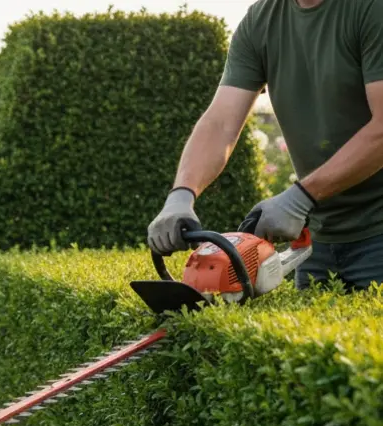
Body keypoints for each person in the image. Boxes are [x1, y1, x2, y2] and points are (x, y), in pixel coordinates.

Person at [147, 0, 383, 290]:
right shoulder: (261, 20)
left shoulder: (371, 10)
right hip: (316, 242)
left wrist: (302, 197)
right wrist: (181, 196)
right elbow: (220, 123)